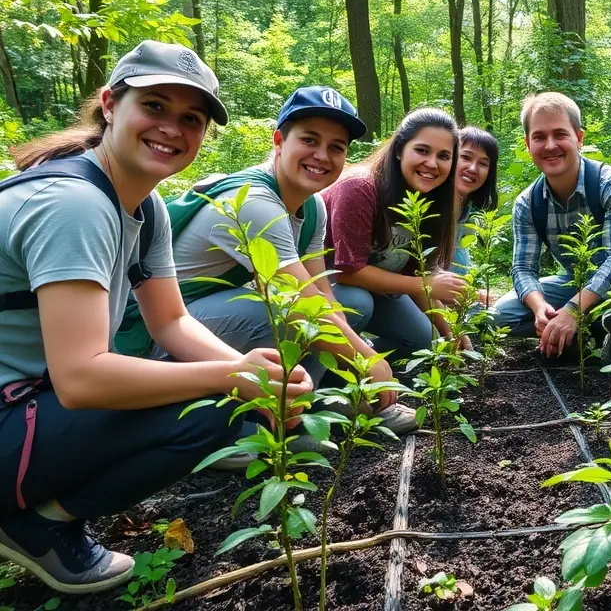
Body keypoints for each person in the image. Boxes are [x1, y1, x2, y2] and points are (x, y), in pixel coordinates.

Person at [0, 41, 311, 594]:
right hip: (22, 406)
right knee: (210, 408)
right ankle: (36, 524)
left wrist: (261, 380)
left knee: (225, 396)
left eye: (190, 118)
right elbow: (82, 378)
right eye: (155, 106)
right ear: (110, 105)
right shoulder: (74, 204)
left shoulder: (144, 205)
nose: (172, 127)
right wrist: (231, 378)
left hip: (27, 402)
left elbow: (170, 321)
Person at [115, 86, 417, 441]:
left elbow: (321, 292)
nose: (322, 155)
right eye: (309, 140)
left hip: (204, 318)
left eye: (336, 147)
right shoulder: (253, 201)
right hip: (159, 333)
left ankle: (311, 403)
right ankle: (247, 425)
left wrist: (359, 367)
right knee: (294, 318)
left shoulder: (312, 206)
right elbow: (299, 302)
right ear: (278, 141)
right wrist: (371, 362)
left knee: (349, 304)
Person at [493, 92, 611, 362]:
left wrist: (572, 310)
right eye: (539, 137)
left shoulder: (610, 183)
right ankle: (569, 336)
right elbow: (523, 268)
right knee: (499, 315)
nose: (550, 145)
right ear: (528, 144)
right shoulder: (527, 203)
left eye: (560, 134)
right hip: (575, 281)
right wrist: (539, 308)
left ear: (579, 138)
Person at [322, 108, 466, 358]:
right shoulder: (359, 188)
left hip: (376, 289)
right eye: (422, 150)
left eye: (444, 156)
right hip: (327, 287)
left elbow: (413, 275)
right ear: (399, 149)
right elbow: (347, 270)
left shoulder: (431, 203)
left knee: (423, 341)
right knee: (358, 304)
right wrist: (427, 285)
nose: (432, 163)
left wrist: (449, 331)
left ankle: (366, 367)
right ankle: (323, 377)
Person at [451, 126, 499, 284]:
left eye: (483, 164)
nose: (473, 168)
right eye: (465, 157)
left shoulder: (468, 210)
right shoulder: (426, 207)